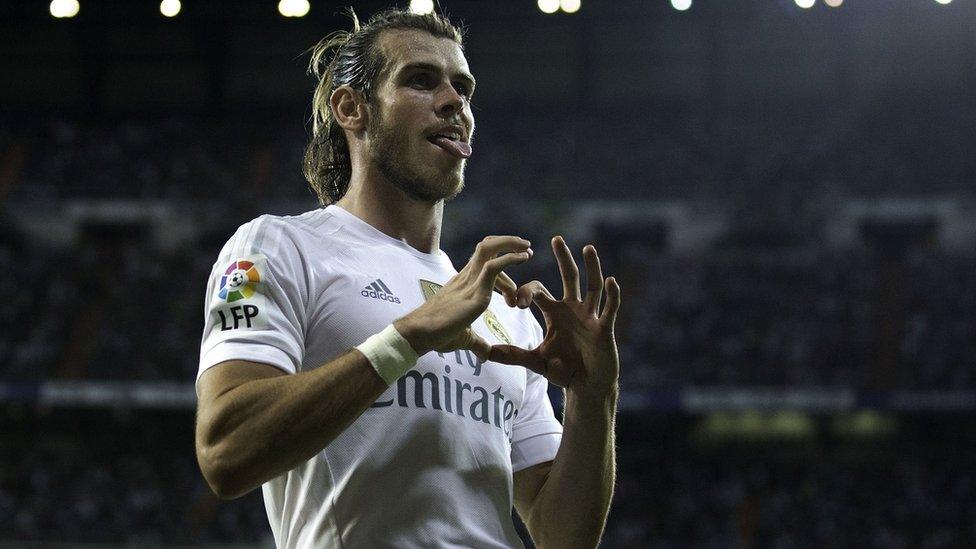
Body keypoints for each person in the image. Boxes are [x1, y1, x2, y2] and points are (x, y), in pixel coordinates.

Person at [194, 7, 621, 548]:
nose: (454, 102)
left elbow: (564, 536)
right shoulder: (282, 247)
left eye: (463, 88)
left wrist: (594, 393)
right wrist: (408, 336)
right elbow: (226, 451)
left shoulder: (501, 308)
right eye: (421, 80)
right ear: (351, 108)